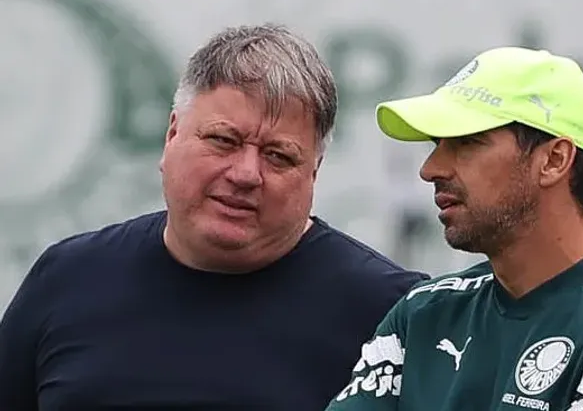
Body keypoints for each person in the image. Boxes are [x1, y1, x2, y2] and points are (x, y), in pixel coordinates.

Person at [0, 24, 428, 410]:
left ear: (313, 171)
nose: (245, 175)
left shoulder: (393, 315)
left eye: (278, 156)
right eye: (223, 140)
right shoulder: (67, 279)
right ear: (171, 134)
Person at [325, 47, 583, 410]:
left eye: (467, 142)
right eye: (437, 143)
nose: (430, 168)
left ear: (554, 160)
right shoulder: (423, 312)